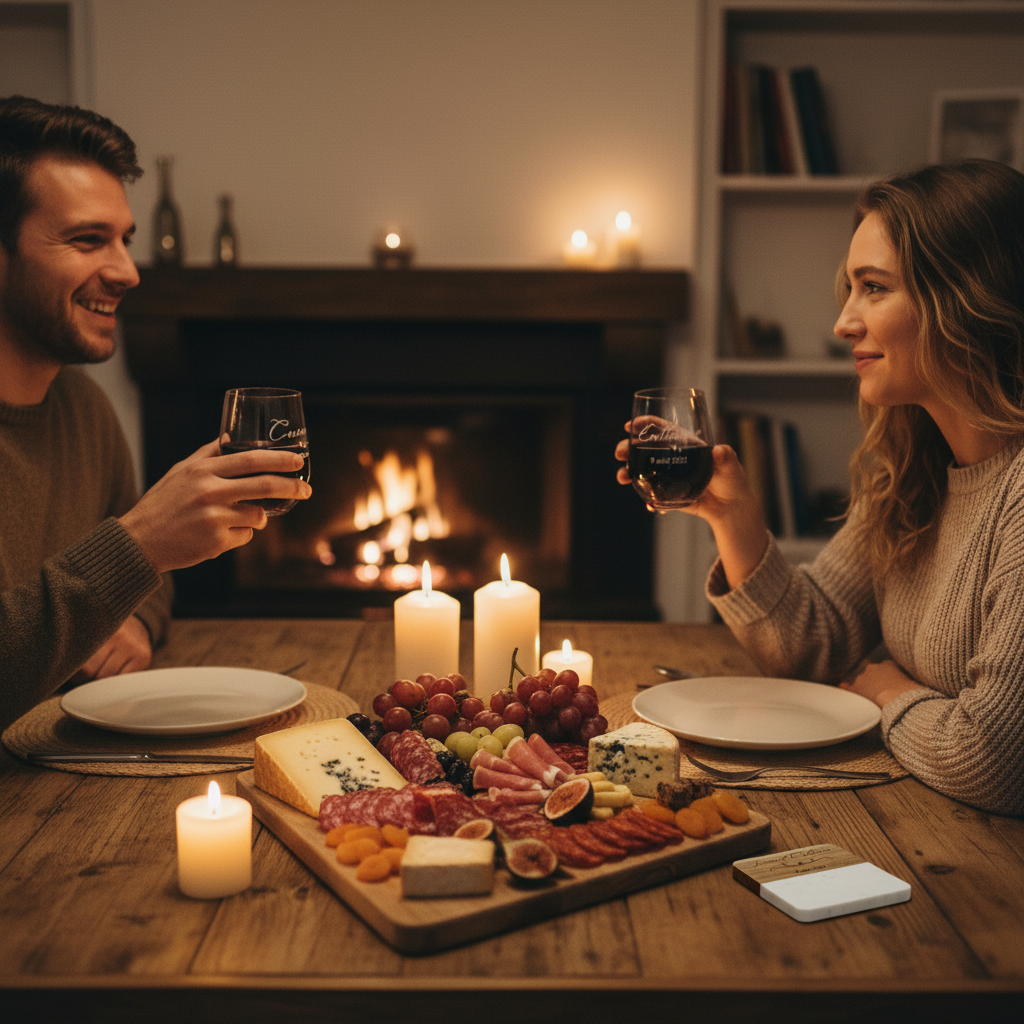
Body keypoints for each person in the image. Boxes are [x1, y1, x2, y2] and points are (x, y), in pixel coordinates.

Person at [616, 160, 1024, 816]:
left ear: (964, 301)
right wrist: (734, 519)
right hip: (932, 816)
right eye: (849, 289)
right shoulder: (914, 468)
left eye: (874, 288)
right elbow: (816, 645)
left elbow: (995, 761)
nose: (843, 323)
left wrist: (889, 692)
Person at [0, 95, 311, 731]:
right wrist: (139, 541)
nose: (128, 272)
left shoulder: (82, 408)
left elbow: (148, 577)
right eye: (89, 241)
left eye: (124, 241)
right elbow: (134, 551)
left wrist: (135, 618)